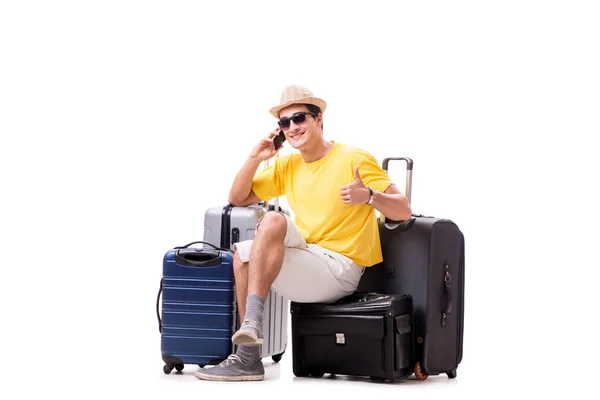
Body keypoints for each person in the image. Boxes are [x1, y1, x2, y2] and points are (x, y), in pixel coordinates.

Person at [195, 84, 412, 382]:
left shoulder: (354, 158)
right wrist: (255, 158)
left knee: (270, 221)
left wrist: (370, 196)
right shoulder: (288, 166)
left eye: (299, 119)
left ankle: (248, 347)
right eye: (285, 123)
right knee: (249, 247)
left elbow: (403, 210)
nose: (293, 127)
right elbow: (237, 197)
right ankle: (248, 352)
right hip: (309, 256)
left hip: (340, 267)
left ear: (318, 119)